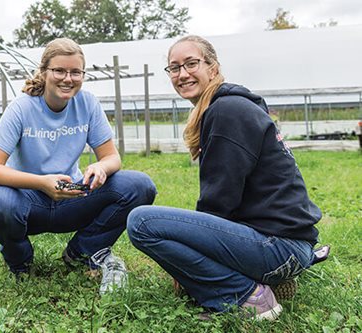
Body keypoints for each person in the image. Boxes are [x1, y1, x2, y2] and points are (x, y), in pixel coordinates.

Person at [127, 35, 321, 320]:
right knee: (160, 224)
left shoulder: (226, 110)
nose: (182, 74)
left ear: (213, 68)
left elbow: (220, 198)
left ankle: (245, 296)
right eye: (174, 68)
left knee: (141, 222)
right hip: (290, 246)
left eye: (191, 63)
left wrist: (191, 261)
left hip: (279, 247)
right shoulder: (231, 106)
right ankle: (267, 280)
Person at [0, 38, 156, 294]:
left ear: (82, 74)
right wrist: (41, 182)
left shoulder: (88, 103)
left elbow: (112, 157)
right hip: (28, 201)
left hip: (73, 194)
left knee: (139, 185)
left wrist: (102, 168)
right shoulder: (22, 108)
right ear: (44, 72)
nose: (67, 78)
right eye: (59, 70)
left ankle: (81, 252)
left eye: (75, 72)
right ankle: (20, 260)